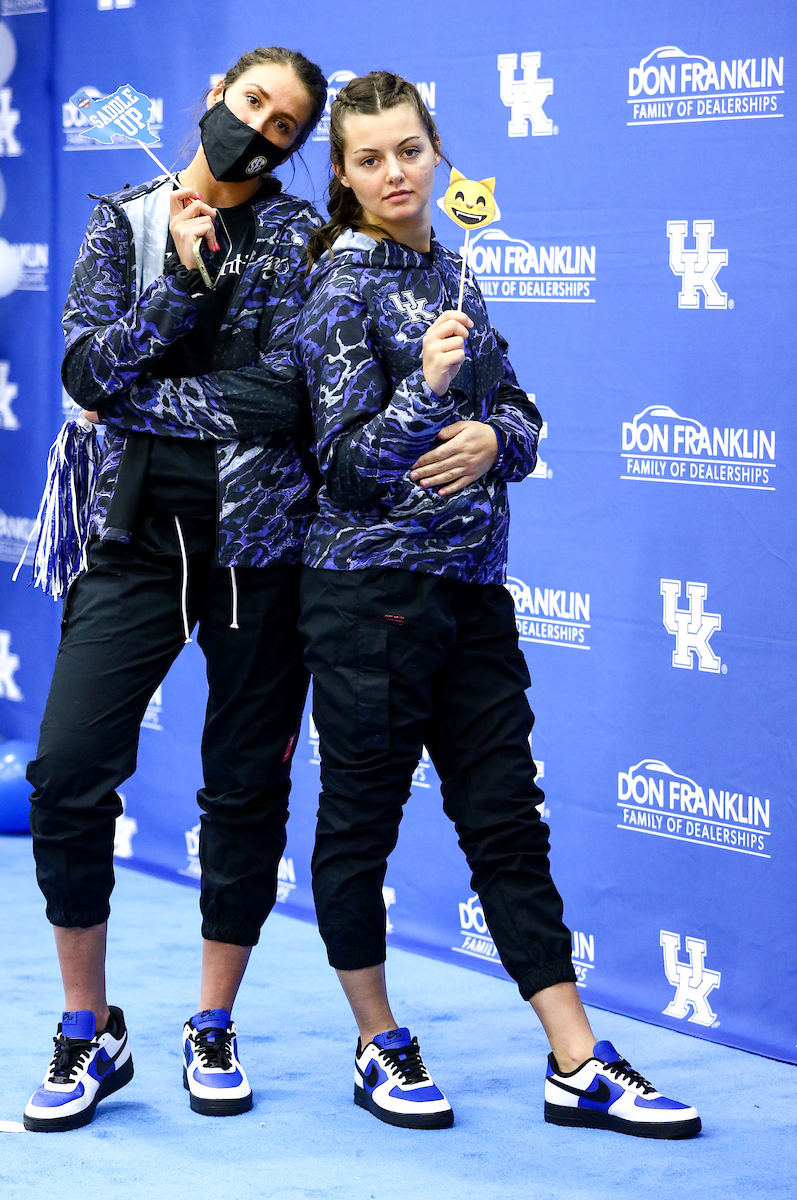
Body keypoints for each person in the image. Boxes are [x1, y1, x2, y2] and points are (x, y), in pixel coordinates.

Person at [294, 72, 701, 1139]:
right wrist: (425, 395)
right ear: (342, 174)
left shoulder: (461, 271)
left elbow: (518, 408)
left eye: (410, 151)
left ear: (439, 155)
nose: (394, 173)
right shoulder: (337, 288)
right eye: (370, 158)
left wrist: (493, 439)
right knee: (360, 824)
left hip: (472, 594)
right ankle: (377, 1041)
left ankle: (576, 1059)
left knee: (508, 824)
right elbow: (340, 472)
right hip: (367, 598)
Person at [22, 47, 328, 1132]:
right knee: (65, 771)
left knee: (244, 789)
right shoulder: (127, 217)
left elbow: (288, 395)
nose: (262, 129)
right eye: (254, 103)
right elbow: (85, 373)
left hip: (261, 550)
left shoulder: (304, 240)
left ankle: (212, 1021)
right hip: (135, 539)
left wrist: (147, 401)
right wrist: (174, 292)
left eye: (287, 125)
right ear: (212, 95)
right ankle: (87, 1028)